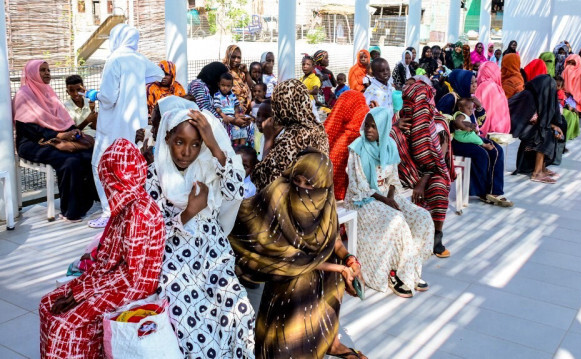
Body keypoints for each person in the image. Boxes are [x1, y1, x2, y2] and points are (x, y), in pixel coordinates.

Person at [229, 150, 367, 359]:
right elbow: (286, 258)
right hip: (283, 274)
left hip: (311, 267)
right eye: (298, 180)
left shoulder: (326, 203)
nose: (302, 188)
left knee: (329, 269)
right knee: (301, 281)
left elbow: (333, 241)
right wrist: (339, 268)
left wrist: (350, 260)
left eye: (309, 184)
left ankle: (328, 341)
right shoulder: (280, 194)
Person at [39, 139, 165, 358]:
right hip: (110, 279)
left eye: (107, 176)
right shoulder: (125, 207)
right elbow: (106, 261)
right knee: (47, 303)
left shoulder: (139, 214)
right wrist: (81, 286)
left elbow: (130, 276)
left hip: (131, 287)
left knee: (64, 326)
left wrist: (82, 293)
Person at [147, 108, 255, 357]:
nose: (187, 152)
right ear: (166, 139)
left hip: (212, 255)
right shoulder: (154, 177)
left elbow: (236, 190)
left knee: (239, 311)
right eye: (179, 142)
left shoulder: (207, 168)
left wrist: (214, 145)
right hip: (175, 264)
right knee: (191, 325)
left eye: (196, 144)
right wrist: (188, 213)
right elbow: (151, 234)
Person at [345, 107, 433, 298]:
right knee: (397, 220)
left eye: (374, 127)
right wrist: (384, 200)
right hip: (364, 199)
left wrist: (391, 197)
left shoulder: (389, 145)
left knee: (422, 217)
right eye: (367, 125)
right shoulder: (357, 148)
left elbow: (393, 177)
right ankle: (396, 274)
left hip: (388, 195)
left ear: (383, 129)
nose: (369, 130)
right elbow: (358, 184)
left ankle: (411, 268)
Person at [88, 23, 164, 228]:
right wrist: (137, 79)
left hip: (112, 125)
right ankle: (131, 209)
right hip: (134, 126)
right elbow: (158, 74)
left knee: (101, 165)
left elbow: (109, 98)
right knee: (132, 166)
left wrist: (96, 95)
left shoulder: (114, 59)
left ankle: (108, 211)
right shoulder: (138, 59)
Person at [14, 60, 97, 222]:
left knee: (88, 154)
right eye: (42, 70)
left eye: (48, 70)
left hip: (56, 137)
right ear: (32, 73)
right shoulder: (23, 95)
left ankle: (87, 202)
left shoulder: (49, 92)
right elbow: (28, 128)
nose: (47, 73)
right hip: (32, 142)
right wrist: (58, 136)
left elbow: (62, 119)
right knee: (69, 161)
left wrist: (73, 130)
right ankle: (70, 211)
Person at [391, 80, 452, 258]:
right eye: (408, 102)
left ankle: (436, 238)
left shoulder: (439, 124)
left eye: (417, 102)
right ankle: (412, 234)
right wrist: (394, 127)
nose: (412, 107)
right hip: (405, 171)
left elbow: (438, 161)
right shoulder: (400, 119)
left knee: (439, 187)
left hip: (432, 172)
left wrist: (422, 182)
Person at [437, 69, 513, 207]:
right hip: (456, 141)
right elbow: (440, 121)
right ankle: (483, 191)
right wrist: (459, 125)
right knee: (482, 153)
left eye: (475, 82)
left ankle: (495, 190)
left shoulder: (469, 98)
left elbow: (479, 123)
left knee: (497, 150)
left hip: (471, 137)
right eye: (470, 83)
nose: (474, 85)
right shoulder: (451, 98)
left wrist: (478, 107)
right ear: (461, 82)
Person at [251, 79, 330, 191]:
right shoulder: (318, 129)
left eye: (276, 104)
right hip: (317, 197)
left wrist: (269, 139)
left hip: (296, 201)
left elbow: (264, 178)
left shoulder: (293, 137)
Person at [509, 75, 565, 183]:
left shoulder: (537, 95)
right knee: (545, 134)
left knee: (549, 131)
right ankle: (537, 173)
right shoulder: (529, 96)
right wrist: (551, 127)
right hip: (520, 127)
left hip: (528, 126)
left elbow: (542, 118)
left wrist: (554, 126)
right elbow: (530, 118)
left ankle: (542, 168)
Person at [324, 90, 370, 200]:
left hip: (334, 196)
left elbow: (327, 131)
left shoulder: (340, 141)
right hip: (360, 196)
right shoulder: (368, 133)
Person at [475, 61, 511, 134]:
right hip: (500, 131)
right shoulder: (498, 87)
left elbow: (482, 113)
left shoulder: (483, 86)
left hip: (488, 133)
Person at [213, 72, 245, 144]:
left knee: (243, 125)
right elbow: (217, 108)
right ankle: (236, 147)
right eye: (223, 85)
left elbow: (236, 106)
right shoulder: (217, 95)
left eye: (228, 86)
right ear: (219, 84)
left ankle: (243, 147)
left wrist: (236, 114)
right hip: (226, 117)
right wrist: (224, 116)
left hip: (233, 116)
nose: (225, 88)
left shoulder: (232, 95)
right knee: (235, 130)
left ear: (231, 86)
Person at [223, 45, 253, 110]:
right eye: (233, 57)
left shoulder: (241, 73)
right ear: (228, 57)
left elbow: (252, 87)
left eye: (239, 57)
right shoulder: (223, 70)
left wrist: (246, 72)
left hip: (246, 106)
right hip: (231, 107)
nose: (236, 60)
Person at [556, 76, 580, 141]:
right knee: (569, 116)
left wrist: (568, 105)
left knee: (574, 114)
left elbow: (563, 101)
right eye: (556, 85)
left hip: (562, 107)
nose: (556, 87)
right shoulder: (552, 91)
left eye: (558, 86)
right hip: (557, 109)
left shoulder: (561, 92)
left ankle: (571, 134)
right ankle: (564, 137)